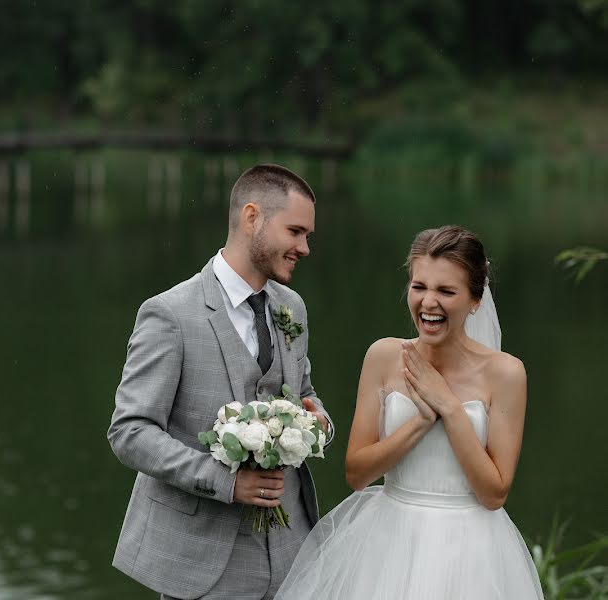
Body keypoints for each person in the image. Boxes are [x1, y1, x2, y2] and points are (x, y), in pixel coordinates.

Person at [275, 225, 543, 599]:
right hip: (388, 540)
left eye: (446, 291)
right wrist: (419, 422)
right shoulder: (384, 356)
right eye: (419, 287)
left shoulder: (506, 373)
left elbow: (494, 493)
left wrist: (448, 407)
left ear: (475, 299)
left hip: (471, 548)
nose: (428, 303)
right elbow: (357, 473)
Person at [108, 164, 335, 599]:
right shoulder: (170, 314)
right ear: (252, 217)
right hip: (202, 562)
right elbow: (130, 432)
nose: (305, 247)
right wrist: (226, 482)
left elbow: (304, 394)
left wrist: (318, 421)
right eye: (296, 231)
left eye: (308, 236)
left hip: (293, 552)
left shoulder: (293, 308)